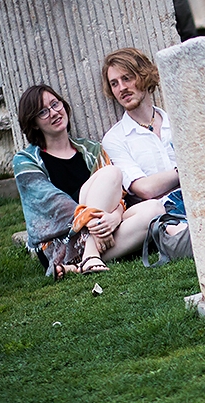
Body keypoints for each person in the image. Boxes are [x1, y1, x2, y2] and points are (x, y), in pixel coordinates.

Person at [13, 84, 166, 280]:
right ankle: (91, 253)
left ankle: (82, 262)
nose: (54, 113)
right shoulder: (26, 161)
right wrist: (93, 221)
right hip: (61, 242)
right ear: (33, 123)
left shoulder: (91, 150)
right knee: (111, 173)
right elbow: (53, 206)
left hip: (102, 228)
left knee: (155, 210)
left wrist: (115, 216)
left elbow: (117, 194)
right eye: (43, 112)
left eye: (55, 104)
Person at [100, 47, 183, 208]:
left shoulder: (178, 121)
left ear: (144, 76)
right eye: (114, 84)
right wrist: (186, 170)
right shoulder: (114, 139)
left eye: (127, 78)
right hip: (165, 216)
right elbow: (145, 189)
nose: (122, 88)